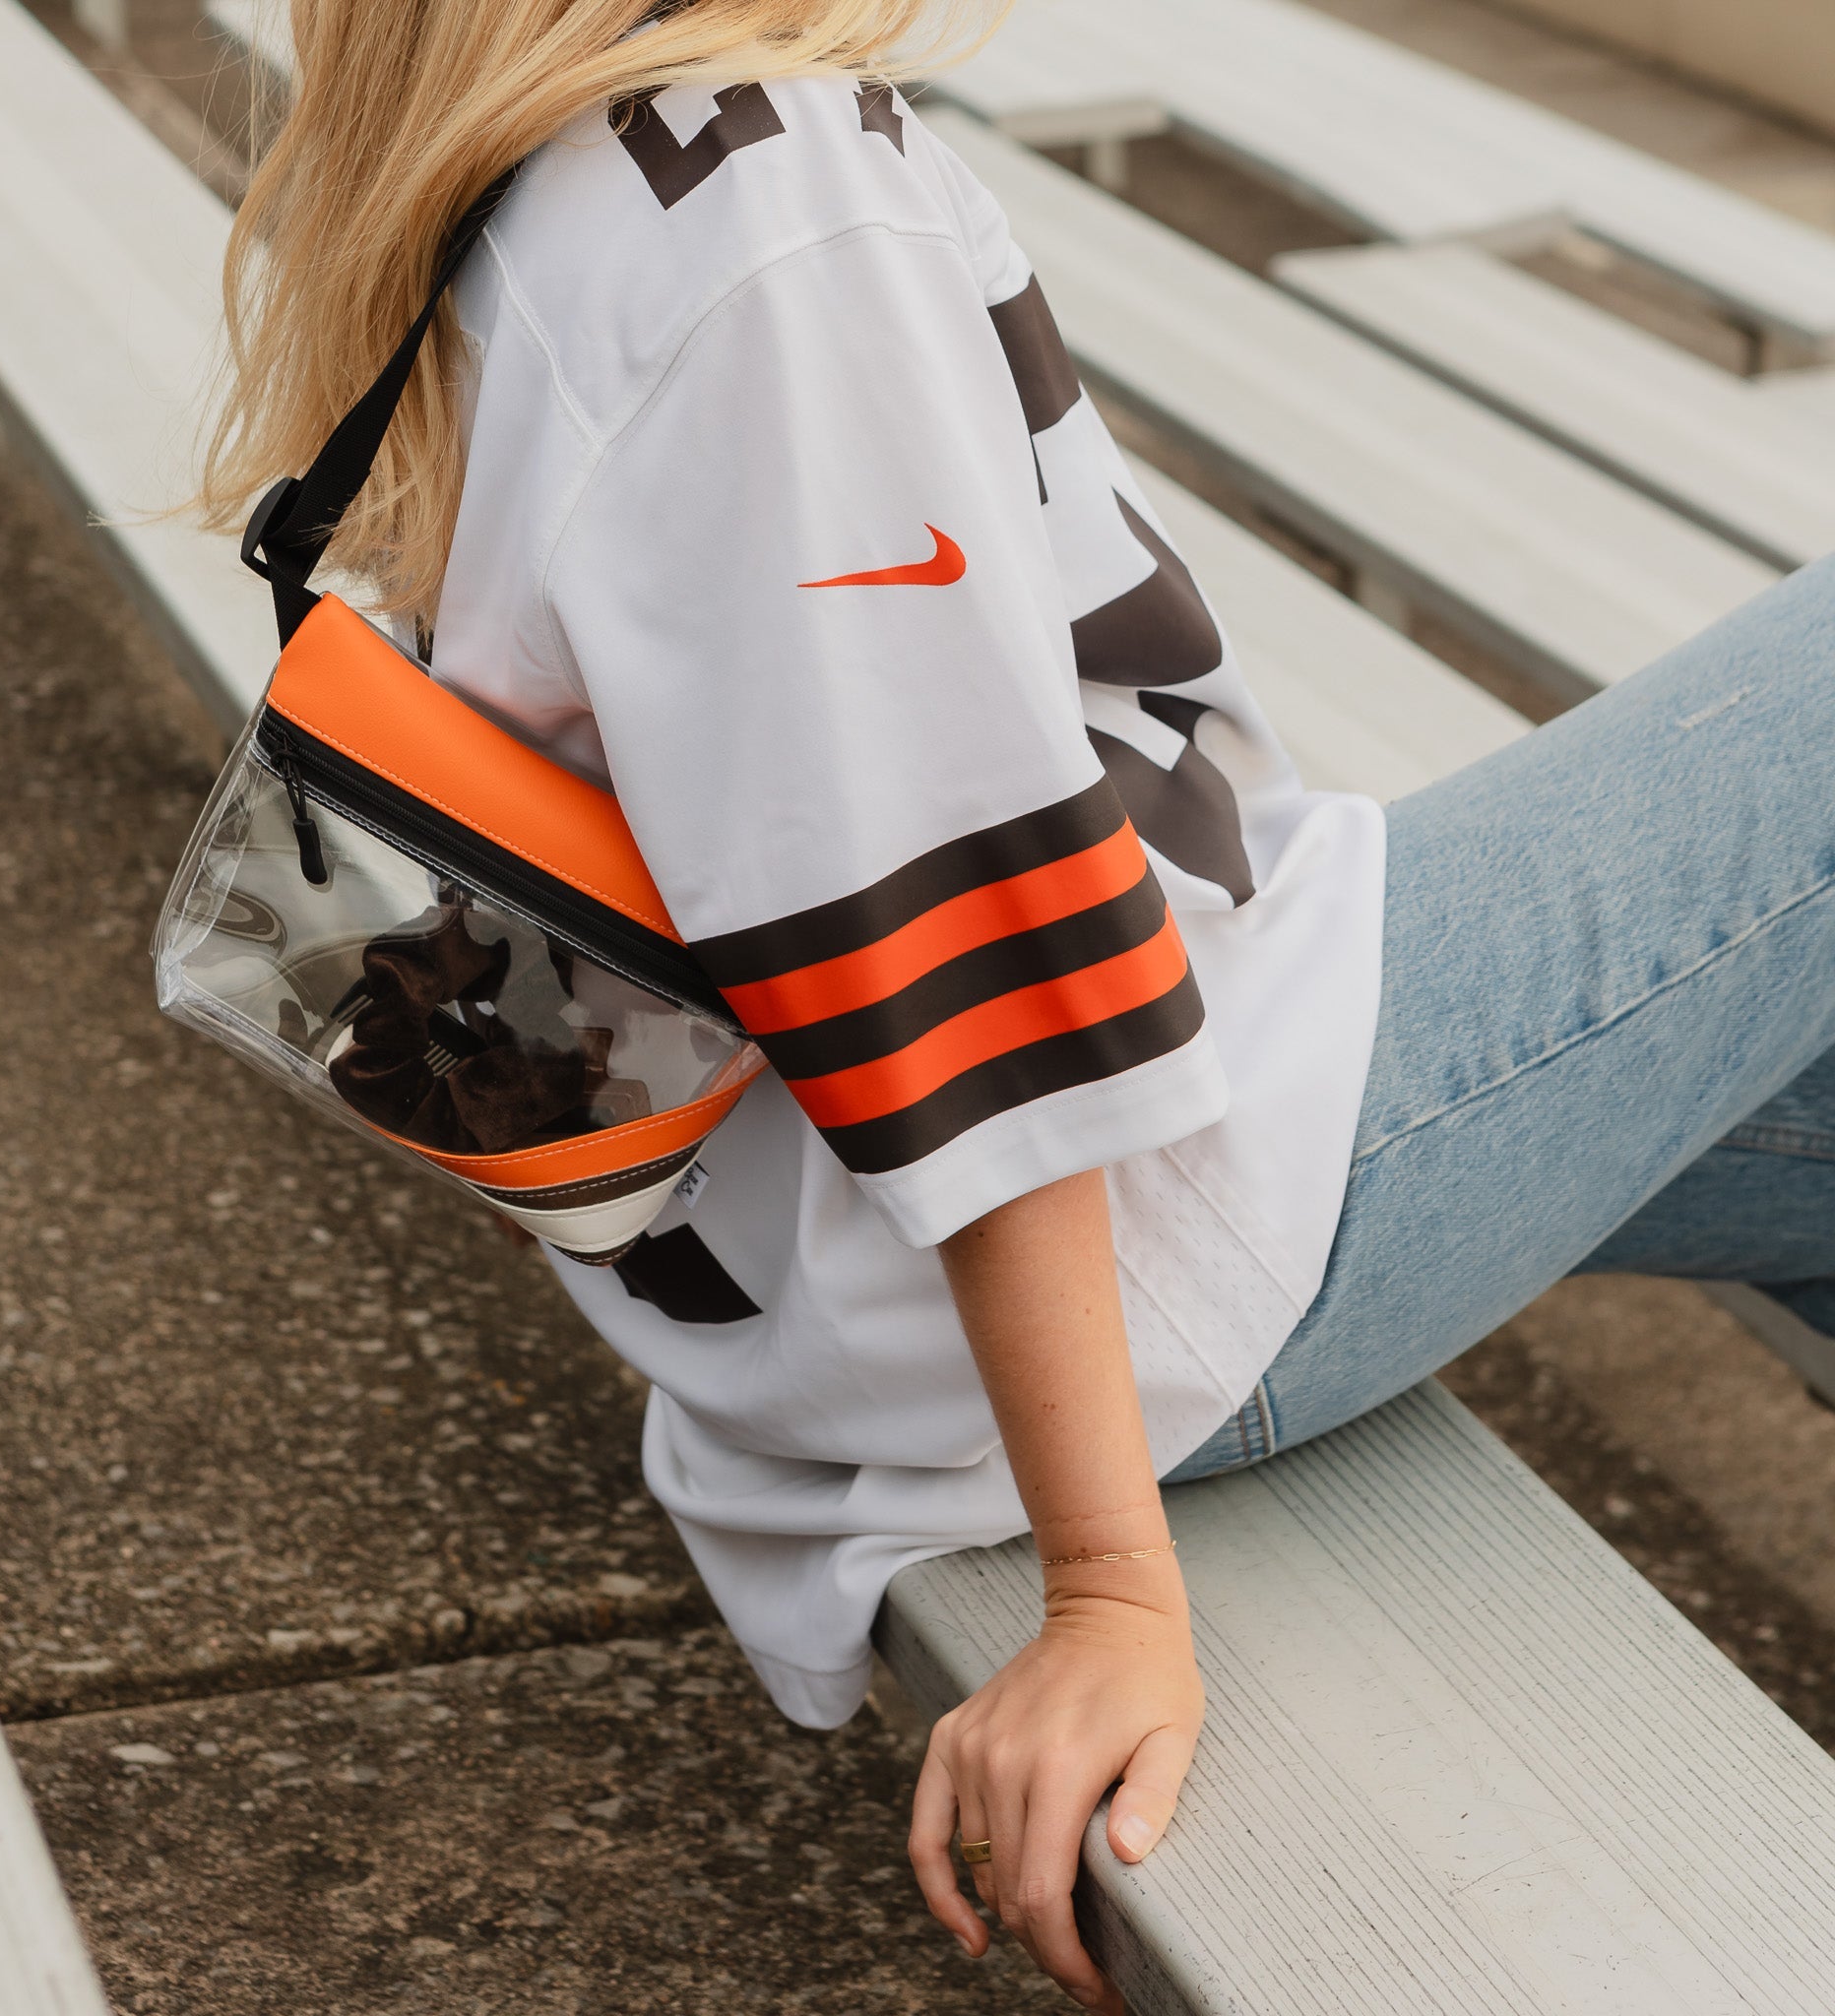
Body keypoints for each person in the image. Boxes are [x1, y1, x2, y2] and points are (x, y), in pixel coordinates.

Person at [199, 3, 1835, 2006]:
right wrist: (1107, 1586)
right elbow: (942, 945)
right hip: (1160, 1214)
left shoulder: (550, 159)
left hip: (865, 1252)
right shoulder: (768, 212)